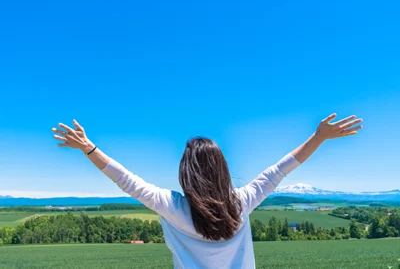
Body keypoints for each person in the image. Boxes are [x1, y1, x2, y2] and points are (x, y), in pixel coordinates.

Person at [52, 113, 362, 269]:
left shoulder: (172, 206)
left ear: (186, 171)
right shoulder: (241, 203)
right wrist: (319, 137)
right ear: (222, 168)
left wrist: (89, 148)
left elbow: (128, 180)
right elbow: (280, 170)